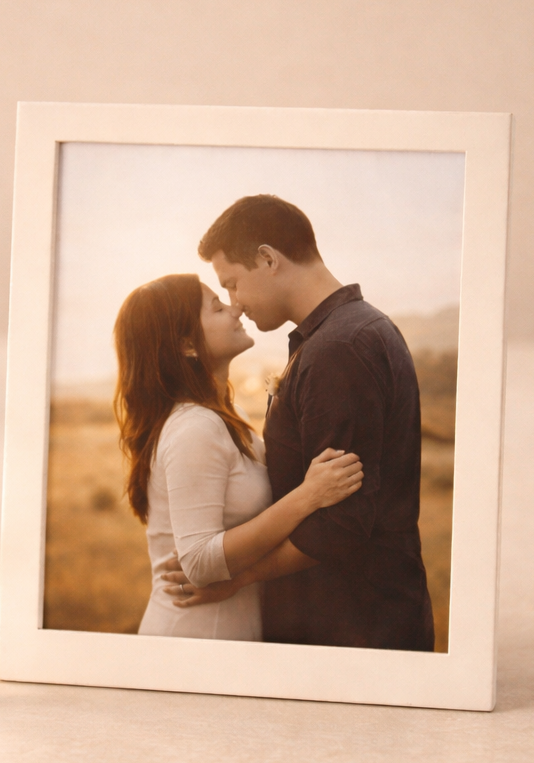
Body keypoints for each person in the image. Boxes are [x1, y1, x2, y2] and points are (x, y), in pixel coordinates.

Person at [165, 194, 436, 652]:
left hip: (353, 630)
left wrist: (239, 579)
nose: (235, 303)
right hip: (357, 621)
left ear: (268, 259)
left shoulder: (339, 348)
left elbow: (342, 524)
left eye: (232, 283)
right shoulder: (349, 333)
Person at [114, 273, 363, 640]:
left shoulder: (228, 419)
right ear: (187, 345)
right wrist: (309, 496)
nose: (236, 310)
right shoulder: (194, 428)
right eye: (217, 307)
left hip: (227, 633)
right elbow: (198, 563)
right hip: (193, 639)